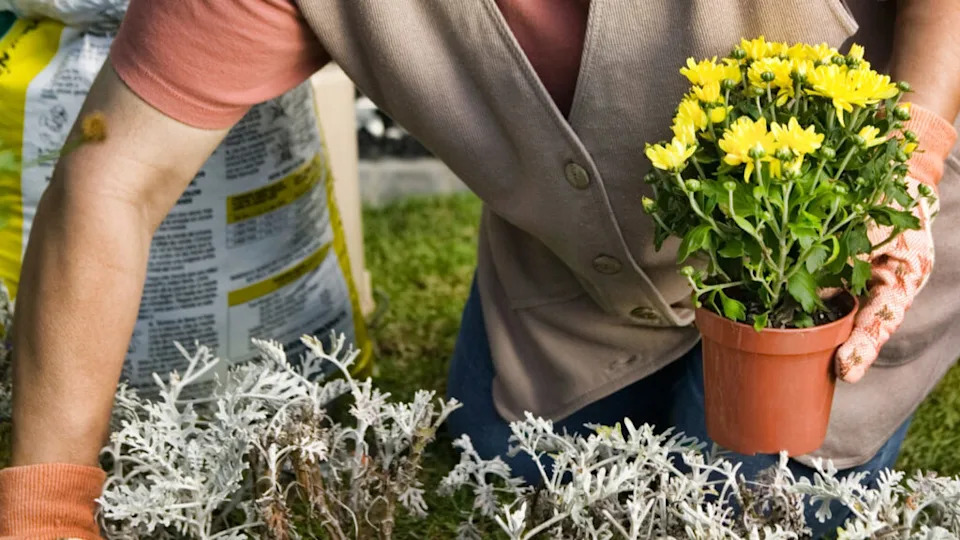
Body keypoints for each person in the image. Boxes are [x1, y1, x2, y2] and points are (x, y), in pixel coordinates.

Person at [1, 1, 958, 538]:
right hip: (568, 285)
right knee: (511, 478)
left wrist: (909, 149)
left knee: (751, 512)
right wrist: (45, 509)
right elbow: (109, 180)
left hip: (843, 280)